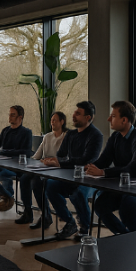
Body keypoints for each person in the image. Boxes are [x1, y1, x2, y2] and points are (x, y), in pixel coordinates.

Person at [88, 101, 136, 235]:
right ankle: (123, 236)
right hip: (123, 186)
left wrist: (103, 172)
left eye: (113, 116)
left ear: (124, 120)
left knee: (127, 210)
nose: (108, 119)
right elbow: (104, 160)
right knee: (100, 205)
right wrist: (88, 167)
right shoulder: (115, 137)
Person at [40, 101, 104, 240]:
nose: (73, 116)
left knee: (78, 193)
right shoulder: (71, 134)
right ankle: (69, 223)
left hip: (89, 178)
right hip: (70, 175)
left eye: (78, 113)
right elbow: (61, 155)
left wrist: (63, 163)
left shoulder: (96, 135)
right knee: (50, 185)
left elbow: (87, 160)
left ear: (88, 117)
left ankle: (85, 227)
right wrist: (65, 162)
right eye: (75, 112)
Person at [22, 111, 68, 228]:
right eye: (51, 120)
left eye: (55, 120)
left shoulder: (67, 137)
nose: (52, 122)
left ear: (62, 122)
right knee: (24, 179)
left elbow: (67, 158)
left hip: (59, 169)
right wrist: (31, 162)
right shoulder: (47, 137)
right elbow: (36, 156)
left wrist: (53, 160)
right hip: (45, 167)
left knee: (36, 182)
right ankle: (28, 212)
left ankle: (46, 215)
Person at [0, 105, 32, 212]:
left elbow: (26, 153)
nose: (10, 117)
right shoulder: (5, 130)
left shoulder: (26, 132)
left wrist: (1, 152)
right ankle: (7, 196)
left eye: (13, 115)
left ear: (20, 117)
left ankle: (7, 197)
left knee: (2, 174)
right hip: (3, 164)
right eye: (9, 114)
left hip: (17, 167)